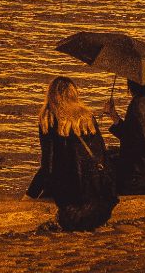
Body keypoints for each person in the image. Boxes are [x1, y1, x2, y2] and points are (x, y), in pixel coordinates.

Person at [27, 76, 116, 231]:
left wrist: (30, 195)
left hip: (71, 194)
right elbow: (103, 153)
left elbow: (47, 166)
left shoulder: (49, 118)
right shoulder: (87, 116)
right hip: (97, 193)